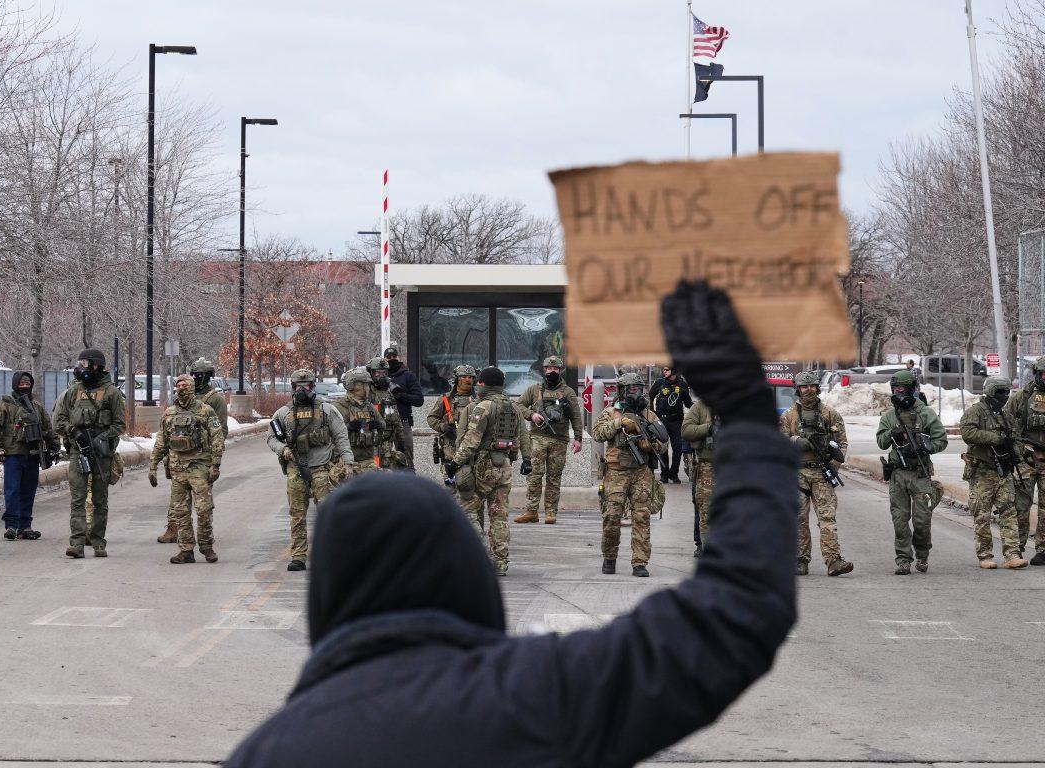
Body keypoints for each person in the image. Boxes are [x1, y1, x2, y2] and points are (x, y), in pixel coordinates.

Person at [223, 281, 797, 768]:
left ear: (329, 594)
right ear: (460, 573)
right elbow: (736, 616)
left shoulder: (271, 752)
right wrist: (746, 413)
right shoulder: (533, 699)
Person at [444, 366, 530, 576]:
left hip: (482, 467)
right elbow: (524, 435)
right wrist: (527, 459)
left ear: (483, 384)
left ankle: (478, 555)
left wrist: (455, 463)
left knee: (468, 509)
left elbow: (471, 440)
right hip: (504, 468)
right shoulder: (513, 407)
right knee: (499, 516)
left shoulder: (484, 406)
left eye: (479, 382)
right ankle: (500, 562)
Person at [268, 368, 353, 571]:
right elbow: (271, 438)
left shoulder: (327, 410)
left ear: (313, 387)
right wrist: (284, 450)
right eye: (298, 386)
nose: (302, 389)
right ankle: (298, 556)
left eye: (306, 386)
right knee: (297, 514)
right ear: (293, 388)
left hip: (322, 469)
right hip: (296, 470)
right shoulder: (283, 413)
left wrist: (348, 462)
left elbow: (341, 437)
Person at [592, 372, 668, 577]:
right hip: (616, 472)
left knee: (641, 516)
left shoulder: (648, 415)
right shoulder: (611, 412)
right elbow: (597, 433)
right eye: (631, 390)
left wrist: (650, 445)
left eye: (639, 389)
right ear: (622, 391)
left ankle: (640, 562)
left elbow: (663, 442)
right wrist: (619, 423)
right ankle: (609, 557)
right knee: (611, 516)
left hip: (641, 472)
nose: (636, 393)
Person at [779, 371, 854, 577]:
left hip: (822, 472)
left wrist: (834, 464)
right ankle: (800, 560)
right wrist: (796, 442)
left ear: (817, 388)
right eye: (804, 387)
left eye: (812, 386)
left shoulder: (830, 414)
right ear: (798, 389)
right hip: (797, 474)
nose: (809, 390)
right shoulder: (788, 416)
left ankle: (833, 561)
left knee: (827, 519)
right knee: (798, 519)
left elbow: (842, 443)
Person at [53, 348, 126, 559]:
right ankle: (76, 543)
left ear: (96, 365)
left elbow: (119, 424)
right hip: (78, 450)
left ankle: (98, 542)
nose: (81, 368)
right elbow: (59, 419)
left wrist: (101, 438)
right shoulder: (73, 391)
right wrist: (73, 431)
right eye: (80, 363)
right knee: (78, 498)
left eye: (85, 364)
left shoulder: (111, 393)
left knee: (100, 500)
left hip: (101, 453)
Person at [876, 370, 947, 575]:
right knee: (900, 520)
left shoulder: (926, 413)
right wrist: (892, 433)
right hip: (898, 474)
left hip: (920, 473)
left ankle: (922, 554)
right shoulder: (889, 416)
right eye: (895, 389)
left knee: (922, 520)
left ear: (911, 389)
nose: (898, 392)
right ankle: (903, 560)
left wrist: (927, 447)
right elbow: (881, 442)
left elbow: (941, 440)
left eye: (902, 389)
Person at [150, 374, 225, 564]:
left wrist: (215, 464)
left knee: (204, 510)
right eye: (178, 385)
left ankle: (207, 547)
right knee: (180, 511)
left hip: (200, 466)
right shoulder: (169, 413)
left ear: (192, 388)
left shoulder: (206, 411)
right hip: (178, 469)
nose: (181, 388)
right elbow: (161, 442)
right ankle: (186, 550)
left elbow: (217, 438)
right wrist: (153, 465)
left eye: (185, 385)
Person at [959, 377, 1027, 569]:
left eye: (1006, 392)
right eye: (1000, 392)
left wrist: (1015, 451)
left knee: (1009, 513)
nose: (1004, 396)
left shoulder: (1005, 415)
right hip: (982, 472)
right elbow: (968, 432)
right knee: (982, 515)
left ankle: (1012, 554)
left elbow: (1015, 437)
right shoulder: (976, 412)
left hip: (1003, 472)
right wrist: (995, 438)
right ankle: (985, 555)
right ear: (990, 392)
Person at [0, 371, 61, 540]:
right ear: (15, 385)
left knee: (28, 491)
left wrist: (55, 446)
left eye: (27, 385)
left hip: (33, 454)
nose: (25, 387)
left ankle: (25, 526)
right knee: (12, 491)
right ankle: (11, 525)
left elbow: (48, 429)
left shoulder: (36, 407)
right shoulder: (4, 405)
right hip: (13, 455)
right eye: (21, 385)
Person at [514, 355, 582, 524]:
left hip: (559, 440)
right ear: (544, 370)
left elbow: (576, 416)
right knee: (534, 476)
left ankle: (551, 512)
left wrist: (578, 438)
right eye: (549, 369)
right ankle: (531, 511)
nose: (552, 371)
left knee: (554, 477)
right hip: (537, 438)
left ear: (560, 370)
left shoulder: (568, 392)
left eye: (556, 369)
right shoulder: (534, 390)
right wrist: (532, 415)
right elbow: (518, 405)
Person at [1005, 355, 1045, 565]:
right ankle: (1016, 548)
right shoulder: (1023, 396)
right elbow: (1007, 423)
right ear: (1037, 374)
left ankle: (1043, 550)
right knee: (1021, 505)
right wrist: (1017, 450)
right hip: (1026, 459)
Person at [425, 364, 477, 493]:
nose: (467, 380)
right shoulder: (446, 399)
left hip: (472, 449)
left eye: (470, 377)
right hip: (450, 449)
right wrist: (444, 427)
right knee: (450, 488)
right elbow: (432, 418)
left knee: (471, 489)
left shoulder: (478, 400)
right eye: (464, 377)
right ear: (456, 379)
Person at [330, 367, 388, 475]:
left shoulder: (369, 406)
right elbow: (331, 432)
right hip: (345, 461)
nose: (368, 388)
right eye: (364, 385)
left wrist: (377, 424)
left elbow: (383, 424)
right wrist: (348, 426)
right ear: (353, 386)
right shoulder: (338, 407)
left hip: (367, 459)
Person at [682, 398, 718, 556]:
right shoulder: (700, 407)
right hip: (707, 466)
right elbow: (686, 430)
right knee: (704, 509)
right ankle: (704, 546)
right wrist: (708, 428)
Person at [649, 365, 693, 483]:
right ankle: (664, 474)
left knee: (677, 448)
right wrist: (652, 413)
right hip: (661, 420)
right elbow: (650, 396)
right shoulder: (659, 382)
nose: (664, 371)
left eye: (667, 370)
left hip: (676, 420)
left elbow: (688, 403)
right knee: (663, 448)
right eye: (664, 369)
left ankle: (674, 474)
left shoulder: (682, 384)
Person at [383, 344, 424, 470]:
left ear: (398, 357)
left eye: (394, 356)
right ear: (384, 359)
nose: (392, 359)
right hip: (384, 424)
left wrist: (401, 396)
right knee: (384, 459)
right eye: (388, 357)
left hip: (403, 423)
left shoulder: (408, 376)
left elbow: (419, 400)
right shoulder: (379, 376)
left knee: (407, 460)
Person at [366, 357, 409, 468]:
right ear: (370, 373)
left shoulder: (388, 393)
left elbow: (396, 418)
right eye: (378, 373)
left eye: (384, 372)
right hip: (370, 445)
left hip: (387, 445)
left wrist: (401, 441)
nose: (381, 376)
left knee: (387, 476)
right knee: (373, 476)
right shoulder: (366, 392)